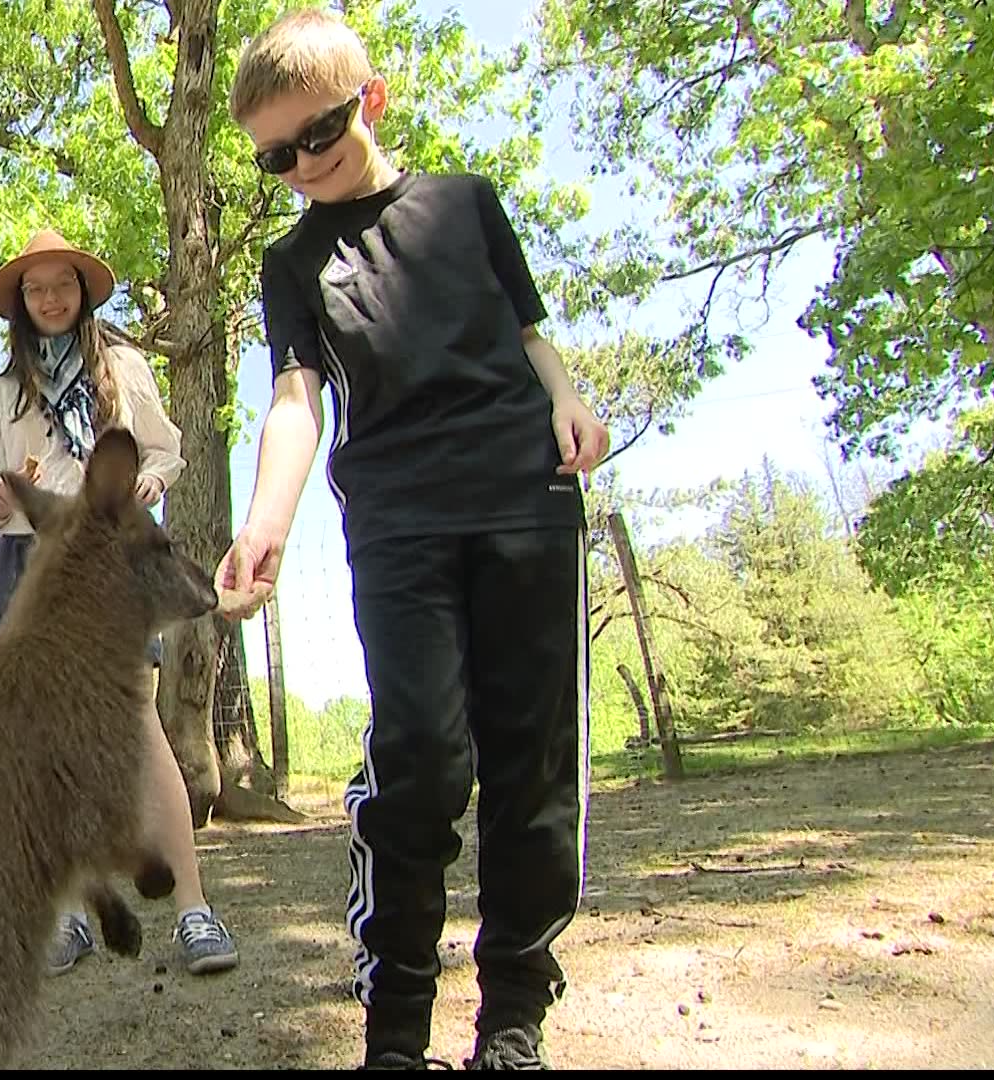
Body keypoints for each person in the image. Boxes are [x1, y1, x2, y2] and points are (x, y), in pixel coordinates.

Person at [221, 9, 611, 1070]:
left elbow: (526, 330)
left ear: (372, 101)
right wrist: (263, 524)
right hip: (396, 520)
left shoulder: (466, 207)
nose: (303, 164)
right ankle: (395, 1032)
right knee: (422, 756)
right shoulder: (291, 264)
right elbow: (296, 398)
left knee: (532, 768)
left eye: (320, 134)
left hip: (524, 497)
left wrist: (568, 402)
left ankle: (513, 1021)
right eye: (276, 155)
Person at [0, 229, 240, 978]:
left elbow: (163, 450)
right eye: (35, 288)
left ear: (82, 293)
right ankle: (69, 916)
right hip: (28, 563)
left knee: (138, 722)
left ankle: (194, 909)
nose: (50, 298)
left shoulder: (121, 368)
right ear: (20, 303)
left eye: (62, 285)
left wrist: (150, 481)